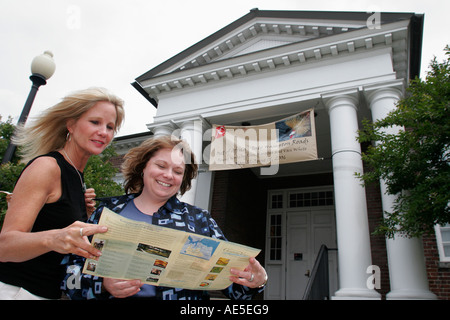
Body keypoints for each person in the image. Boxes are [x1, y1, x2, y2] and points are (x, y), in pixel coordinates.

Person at [62, 136, 268, 300]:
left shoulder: (200, 220)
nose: (168, 175)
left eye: (178, 171)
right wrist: (103, 286)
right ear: (143, 167)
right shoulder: (107, 212)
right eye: (161, 166)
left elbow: (231, 287)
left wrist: (254, 281)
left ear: (183, 178)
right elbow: (70, 273)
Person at [0, 87, 125, 300]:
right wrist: (55, 237)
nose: (104, 132)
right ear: (71, 124)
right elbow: (5, 246)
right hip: (15, 291)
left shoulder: (77, 177)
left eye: (110, 127)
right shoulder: (47, 167)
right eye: (95, 122)